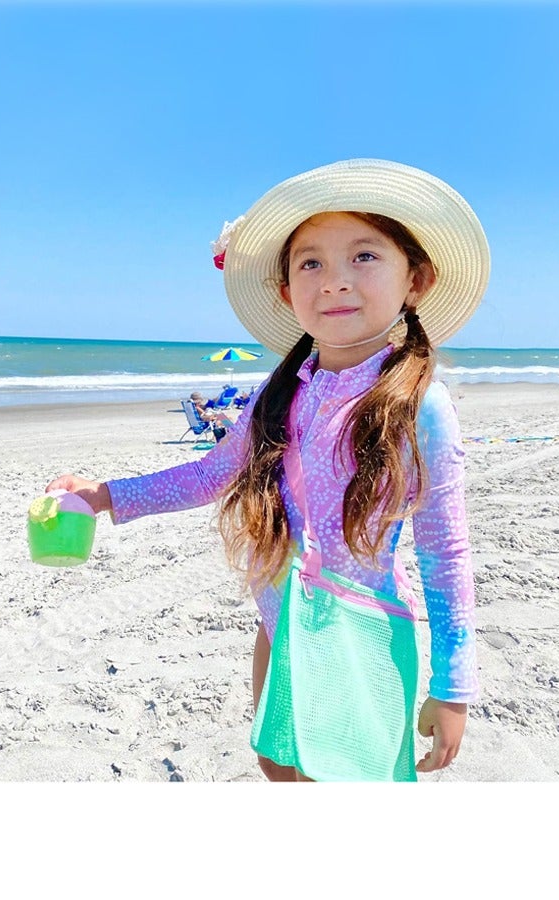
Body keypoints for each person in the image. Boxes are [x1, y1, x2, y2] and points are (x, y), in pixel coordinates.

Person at [46, 159, 490, 782]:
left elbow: (446, 549)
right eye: (310, 263)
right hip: (279, 622)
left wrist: (453, 684)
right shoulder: (280, 392)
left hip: (356, 632)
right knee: (276, 766)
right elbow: (209, 475)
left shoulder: (420, 406)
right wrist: (102, 496)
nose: (334, 281)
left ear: (414, 280)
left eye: (364, 256)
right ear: (286, 291)